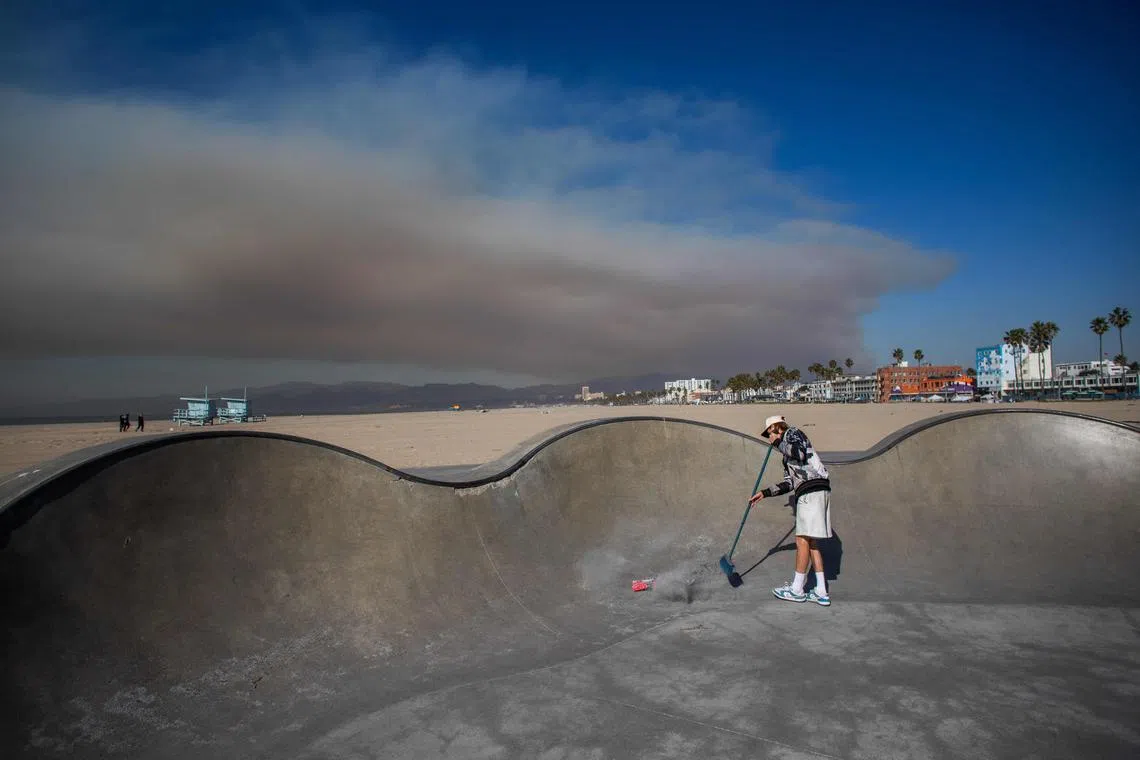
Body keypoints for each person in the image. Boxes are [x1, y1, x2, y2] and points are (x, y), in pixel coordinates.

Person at [749, 414, 833, 606]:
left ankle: (796, 589)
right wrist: (765, 493)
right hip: (815, 490)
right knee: (811, 542)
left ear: (776, 427)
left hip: (811, 490)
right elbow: (789, 484)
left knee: (801, 539)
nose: (768, 437)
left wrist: (778, 442)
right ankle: (821, 591)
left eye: (769, 432)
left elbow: (801, 453)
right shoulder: (786, 456)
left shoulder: (792, 433)